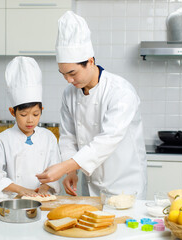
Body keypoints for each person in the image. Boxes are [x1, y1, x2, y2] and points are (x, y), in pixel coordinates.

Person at [36, 11, 147, 199]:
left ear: (90, 61)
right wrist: (71, 172)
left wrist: (64, 167)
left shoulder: (120, 92)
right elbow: (68, 136)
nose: (68, 80)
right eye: (63, 74)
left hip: (125, 185)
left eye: (72, 73)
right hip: (91, 184)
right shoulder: (69, 94)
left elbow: (107, 140)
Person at [0, 56, 61, 198]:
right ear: (13, 112)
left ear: (42, 110)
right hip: (13, 200)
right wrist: (21, 190)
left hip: (43, 199)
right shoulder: (1, 140)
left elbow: (54, 170)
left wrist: (44, 188)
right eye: (24, 114)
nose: (30, 120)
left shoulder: (48, 137)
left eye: (36, 114)